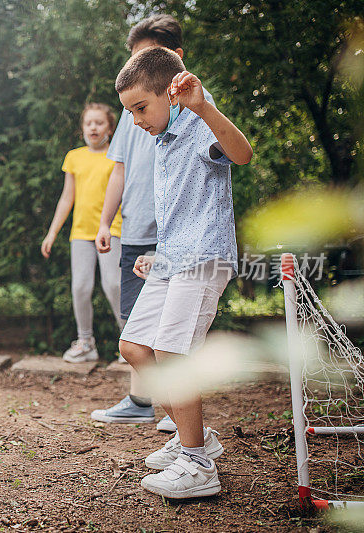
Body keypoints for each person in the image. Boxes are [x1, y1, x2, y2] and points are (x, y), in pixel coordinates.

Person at [114, 46, 252, 499]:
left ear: (169, 96)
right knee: (135, 347)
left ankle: (197, 464)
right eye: (130, 111)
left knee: (173, 355)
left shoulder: (196, 123)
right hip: (173, 258)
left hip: (204, 258)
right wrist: (159, 253)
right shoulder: (163, 139)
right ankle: (198, 439)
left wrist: (203, 106)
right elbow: (182, 210)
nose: (136, 119)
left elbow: (242, 153)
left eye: (140, 108)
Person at [91, 14, 211, 432]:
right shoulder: (133, 115)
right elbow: (119, 168)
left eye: (145, 60)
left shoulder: (192, 113)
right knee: (137, 329)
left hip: (182, 241)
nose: (134, 69)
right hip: (140, 231)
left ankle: (184, 425)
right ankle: (150, 403)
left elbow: (226, 159)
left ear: (173, 62)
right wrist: (107, 222)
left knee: (174, 337)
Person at [40, 103, 123, 363]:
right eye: (89, 123)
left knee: (114, 285)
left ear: (109, 127)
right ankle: (86, 343)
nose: (93, 127)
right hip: (80, 234)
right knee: (80, 288)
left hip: (112, 231)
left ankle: (130, 342)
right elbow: (67, 199)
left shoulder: (117, 155)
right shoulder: (74, 157)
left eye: (99, 123)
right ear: (83, 128)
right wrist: (52, 232)